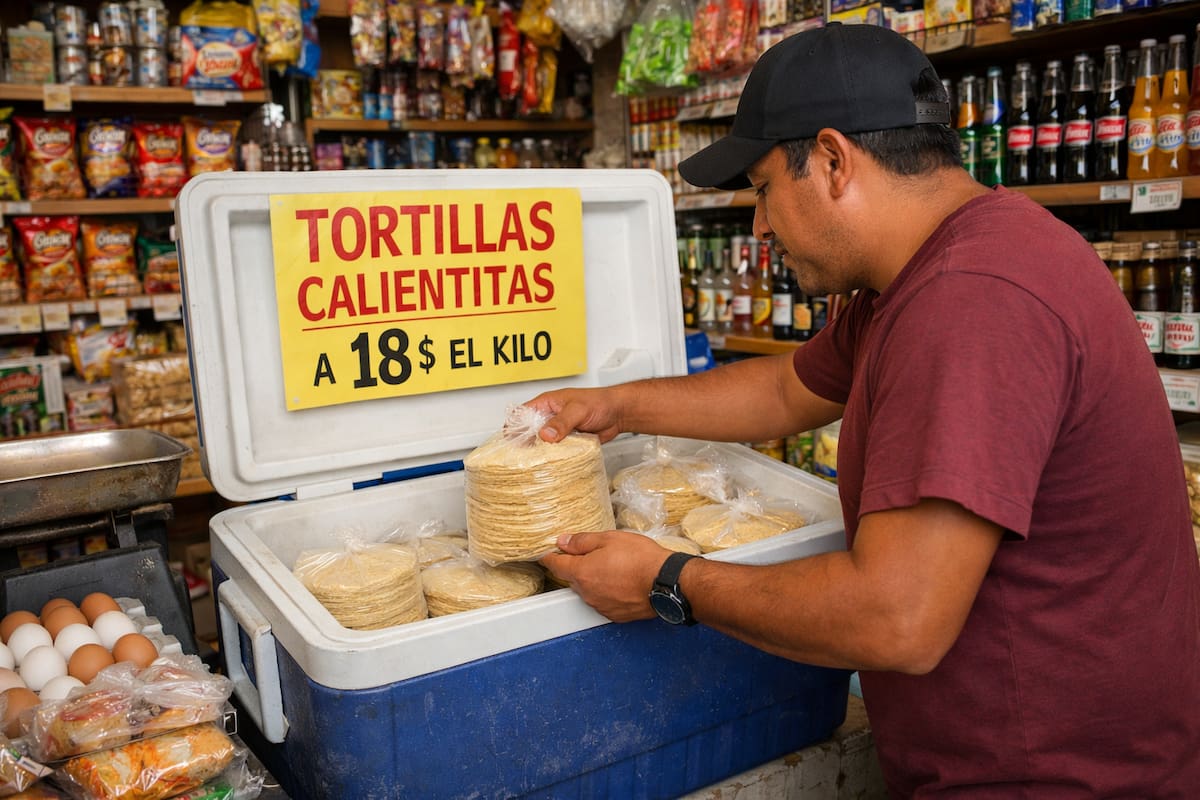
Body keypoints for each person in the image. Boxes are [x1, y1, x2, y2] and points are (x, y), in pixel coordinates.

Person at [530, 23, 1200, 798]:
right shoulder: (920, 272)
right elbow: (786, 391)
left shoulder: (971, 299)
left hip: (1058, 778)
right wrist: (615, 405)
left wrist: (667, 580)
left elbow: (897, 618)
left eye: (761, 189)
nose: (759, 226)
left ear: (832, 161)